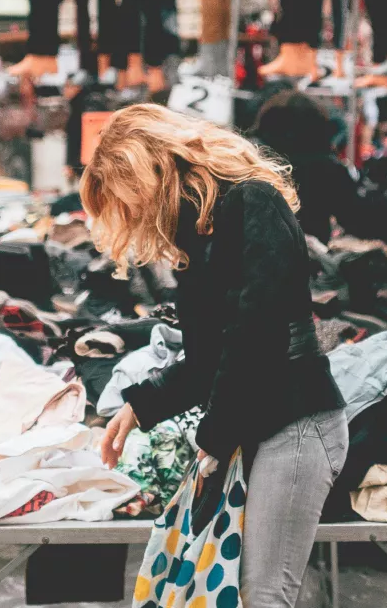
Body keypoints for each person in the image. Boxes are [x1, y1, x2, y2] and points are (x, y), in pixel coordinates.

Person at [93, 104, 347, 608]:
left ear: (148, 169)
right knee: (241, 592)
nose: (134, 214)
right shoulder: (199, 233)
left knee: (261, 594)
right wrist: (141, 404)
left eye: (128, 197)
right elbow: (212, 353)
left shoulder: (252, 202)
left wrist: (215, 432)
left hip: (297, 420)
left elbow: (257, 330)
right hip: (263, 420)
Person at [251, 90, 358, 243]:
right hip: (310, 255)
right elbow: (353, 218)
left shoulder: (254, 164)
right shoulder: (328, 170)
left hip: (258, 250)